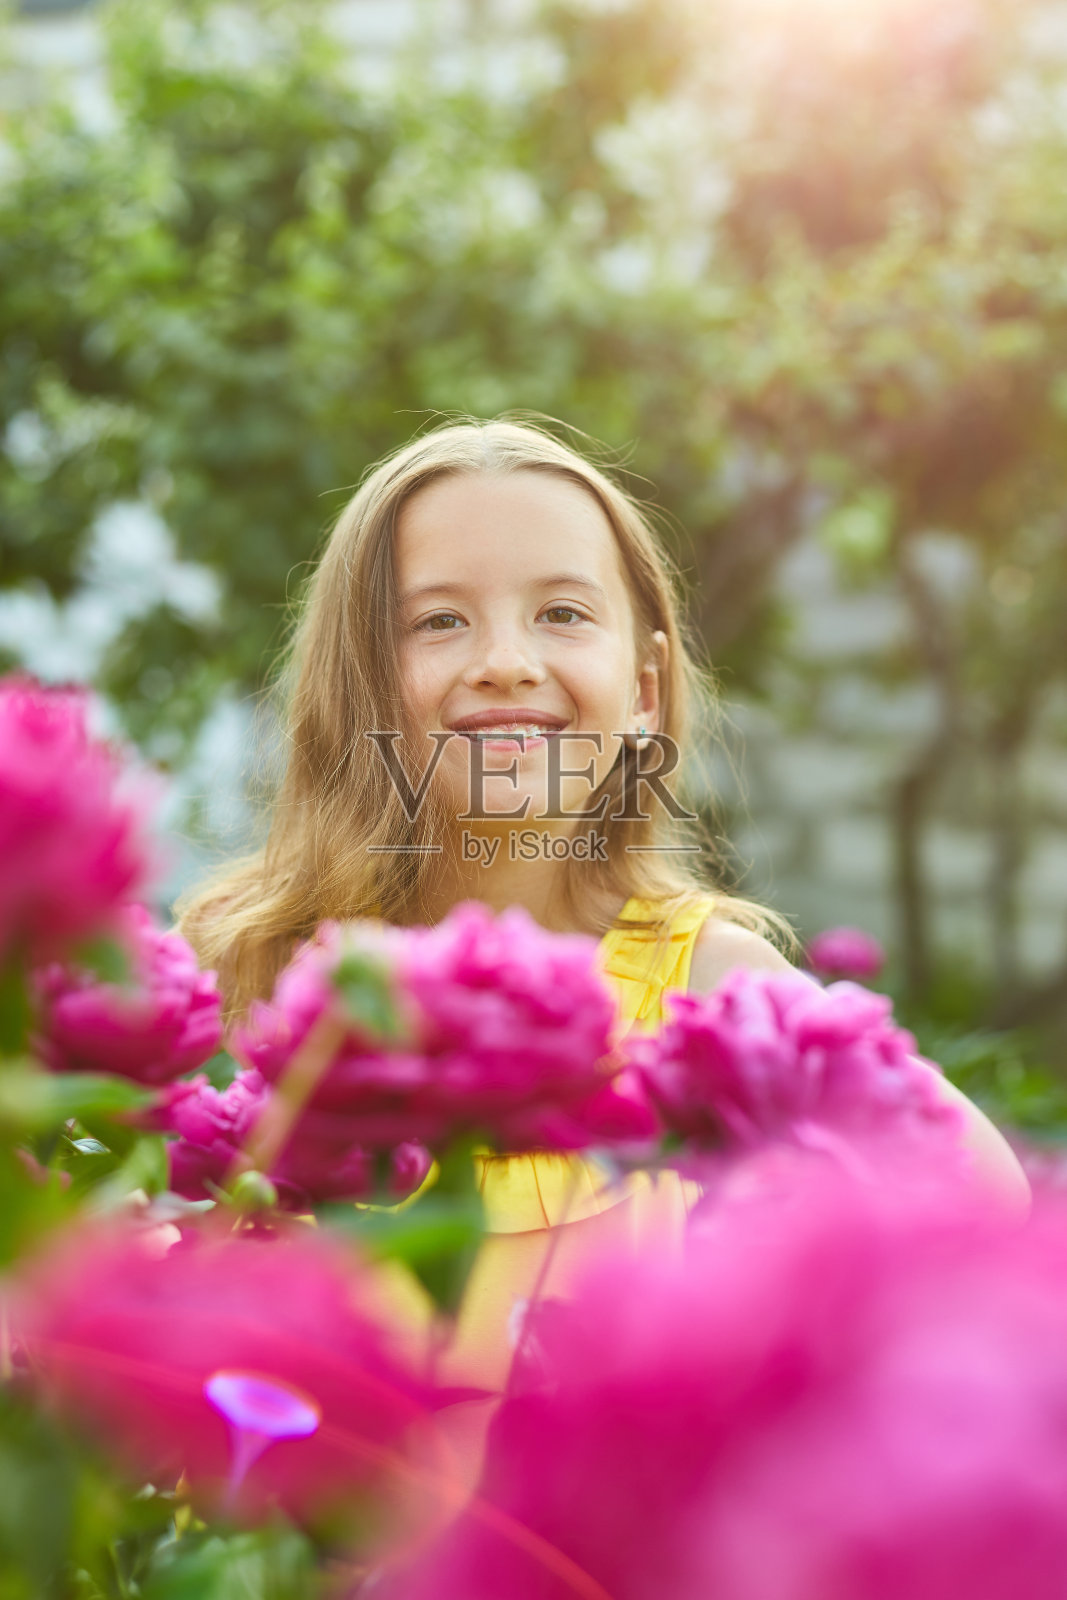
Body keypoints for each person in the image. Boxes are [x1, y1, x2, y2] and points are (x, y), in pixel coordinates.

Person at [177, 418, 1027, 1402]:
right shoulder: (245, 971)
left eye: (563, 614)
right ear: (357, 680)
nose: (504, 660)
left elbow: (981, 1198)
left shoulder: (705, 987)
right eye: (438, 621)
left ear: (643, 688)